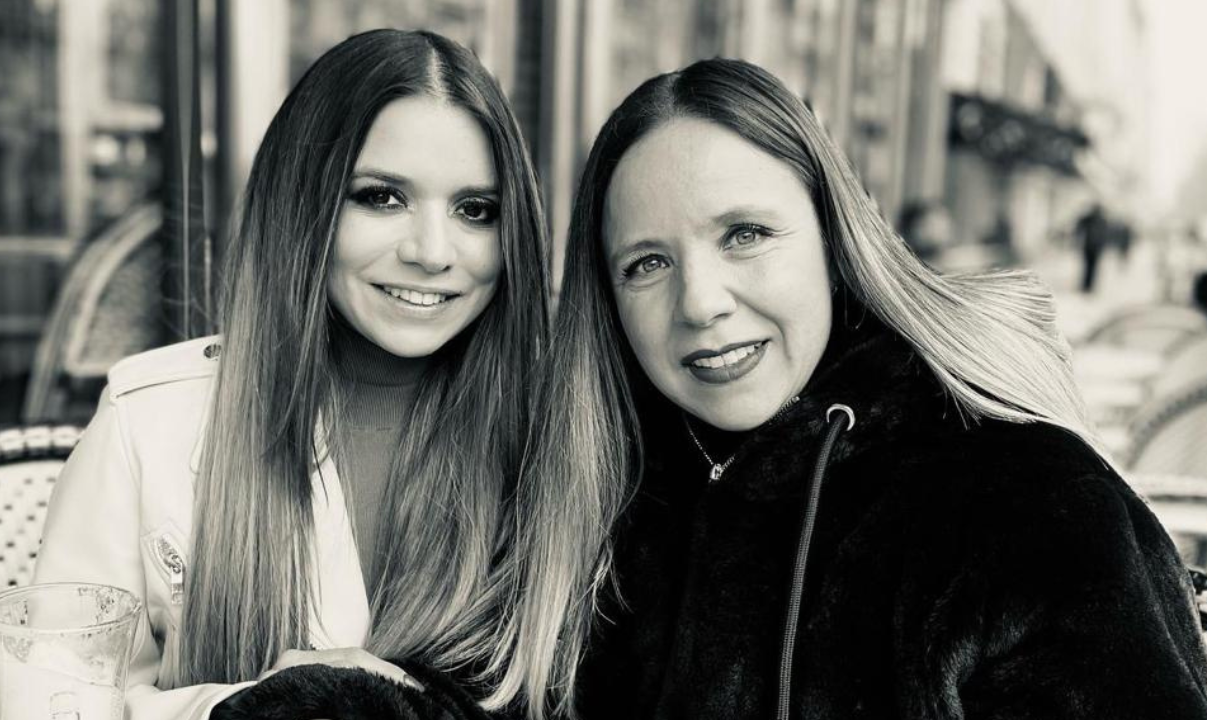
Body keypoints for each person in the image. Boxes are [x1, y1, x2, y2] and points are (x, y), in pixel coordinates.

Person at [495, 58, 1207, 719]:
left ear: (834, 241)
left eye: (745, 234)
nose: (699, 302)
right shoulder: (593, 502)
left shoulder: (1023, 504)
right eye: (647, 262)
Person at [33, 29, 550, 720]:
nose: (432, 252)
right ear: (303, 203)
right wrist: (272, 709)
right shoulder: (148, 420)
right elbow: (51, 703)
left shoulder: (554, 430)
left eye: (474, 210)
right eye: (382, 197)